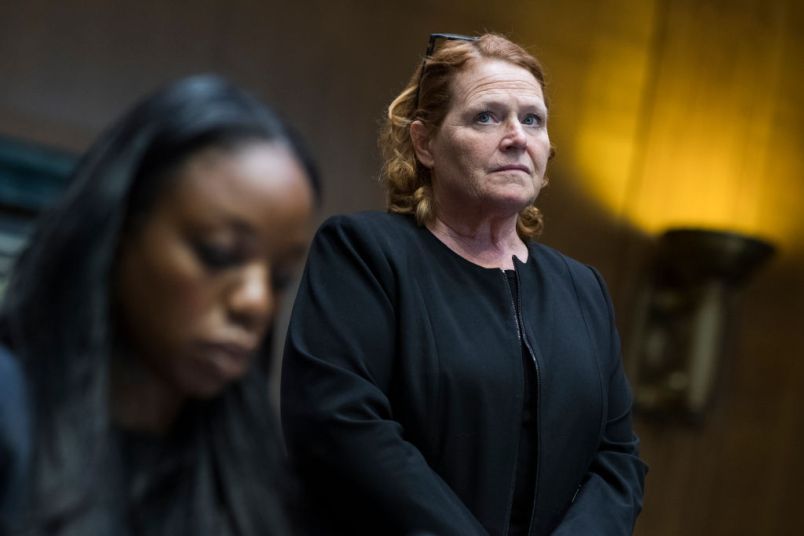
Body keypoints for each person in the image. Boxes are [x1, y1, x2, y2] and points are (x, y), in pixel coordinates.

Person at [281, 33, 647, 535]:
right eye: (487, 116)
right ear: (425, 143)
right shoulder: (365, 252)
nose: (517, 136)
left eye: (533, 119)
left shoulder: (582, 289)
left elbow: (617, 457)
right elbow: (341, 425)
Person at [0, 74, 320, 535]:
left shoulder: (262, 481)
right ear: (119, 231)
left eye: (280, 277)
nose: (256, 302)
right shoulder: (11, 417)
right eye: (219, 254)